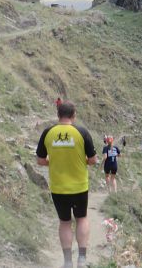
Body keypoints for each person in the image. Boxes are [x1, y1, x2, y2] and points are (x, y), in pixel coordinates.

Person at [36, 101, 97, 268]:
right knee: (81, 218)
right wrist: (81, 160)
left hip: (58, 187)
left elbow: (40, 160)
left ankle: (68, 262)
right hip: (79, 186)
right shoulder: (82, 132)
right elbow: (92, 160)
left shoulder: (48, 132)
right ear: (74, 115)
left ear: (58, 115)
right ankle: (82, 259)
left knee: (64, 222)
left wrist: (54, 161)